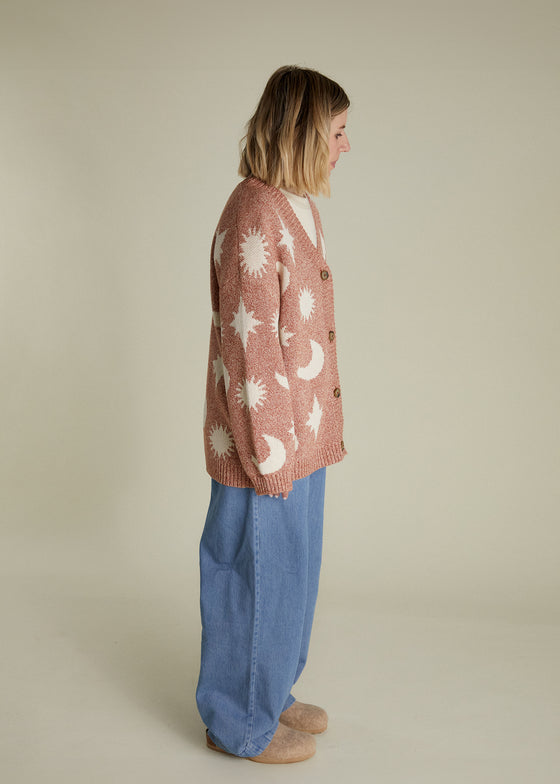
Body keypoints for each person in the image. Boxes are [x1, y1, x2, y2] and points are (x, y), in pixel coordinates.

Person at [196, 65, 351, 764]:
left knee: (288, 576)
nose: (345, 147)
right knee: (251, 579)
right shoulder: (254, 215)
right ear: (303, 132)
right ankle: (239, 724)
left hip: (302, 438)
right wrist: (269, 456)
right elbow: (250, 342)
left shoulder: (296, 206)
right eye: (337, 132)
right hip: (267, 447)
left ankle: (270, 691)